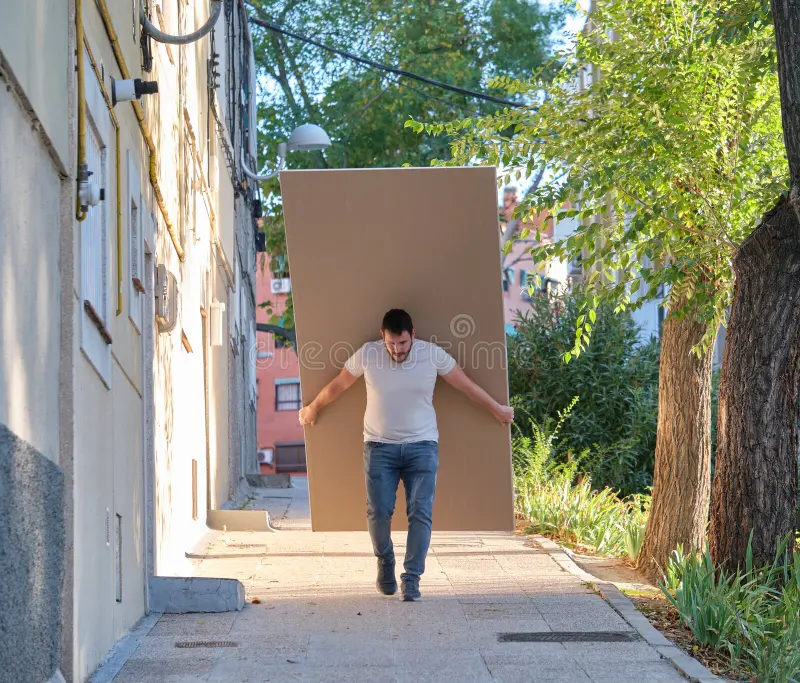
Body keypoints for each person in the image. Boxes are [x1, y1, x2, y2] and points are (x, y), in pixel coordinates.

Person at [298, 309, 514, 601]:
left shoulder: (432, 355)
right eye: (391, 344)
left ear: (413, 335)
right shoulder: (368, 354)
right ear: (382, 336)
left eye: (402, 343)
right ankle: (385, 560)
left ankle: (412, 579)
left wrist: (497, 409)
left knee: (421, 513)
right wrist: (314, 407)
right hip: (378, 447)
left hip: (422, 446)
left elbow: (465, 385)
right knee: (378, 511)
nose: (397, 350)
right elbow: (339, 384)